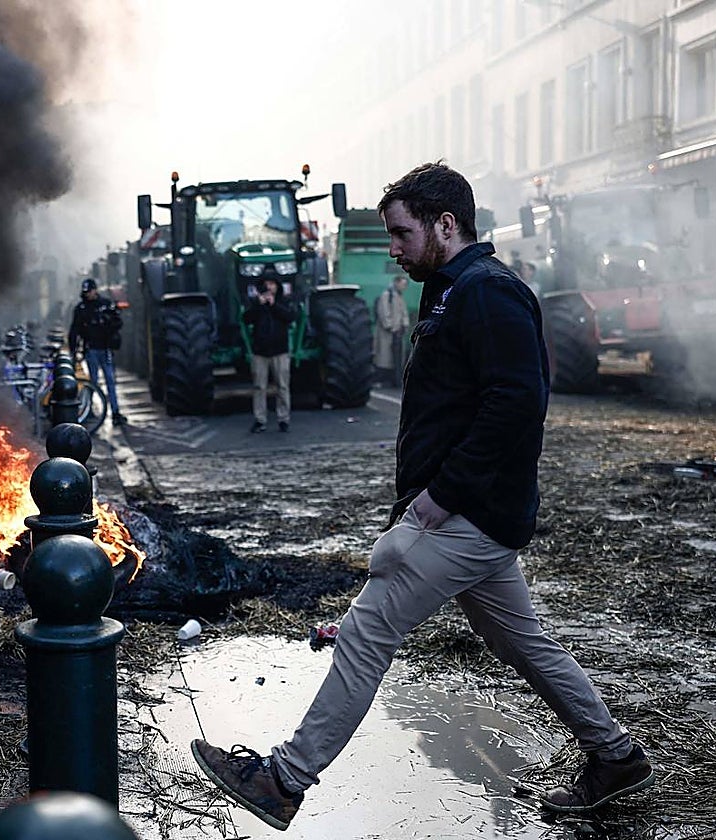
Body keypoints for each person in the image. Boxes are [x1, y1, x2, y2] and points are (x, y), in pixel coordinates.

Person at [191, 162, 653, 831]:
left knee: (368, 632)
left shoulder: (488, 293)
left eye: (402, 233)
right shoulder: (453, 291)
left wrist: (441, 496)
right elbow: (448, 415)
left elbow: (517, 405)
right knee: (523, 643)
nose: (393, 249)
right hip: (470, 515)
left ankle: (283, 780)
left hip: (468, 515)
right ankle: (615, 756)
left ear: (446, 224)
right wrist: (418, 504)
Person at [67, 278, 126, 425]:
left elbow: (118, 322)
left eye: (90, 291)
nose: (88, 294)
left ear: (95, 290)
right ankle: (89, 410)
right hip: (91, 349)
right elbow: (74, 331)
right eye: (86, 292)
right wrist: (73, 350)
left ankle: (115, 412)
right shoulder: (81, 309)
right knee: (92, 382)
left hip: (105, 348)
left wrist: (108, 323)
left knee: (110, 381)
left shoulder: (105, 305)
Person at [243, 275, 295, 433]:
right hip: (260, 351)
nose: (269, 287)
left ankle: (283, 418)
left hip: (280, 351)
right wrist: (259, 306)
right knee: (259, 386)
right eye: (266, 284)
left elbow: (290, 317)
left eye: (272, 284)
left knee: (282, 386)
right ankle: (260, 419)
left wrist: (274, 305)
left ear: (277, 286)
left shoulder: (284, 301)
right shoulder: (255, 303)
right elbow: (246, 319)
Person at [374, 275, 410, 388]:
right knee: (385, 357)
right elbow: (384, 312)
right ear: (397, 283)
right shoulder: (387, 295)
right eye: (403, 284)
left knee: (395, 358)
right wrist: (390, 326)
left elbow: (403, 313)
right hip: (389, 332)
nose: (404, 287)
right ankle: (383, 379)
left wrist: (404, 325)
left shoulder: (398, 296)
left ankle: (393, 380)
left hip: (397, 332)